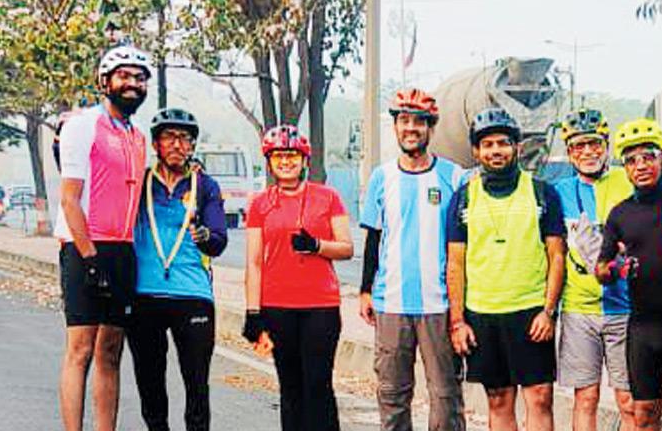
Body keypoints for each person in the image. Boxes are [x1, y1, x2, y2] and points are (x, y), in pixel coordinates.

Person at [445, 108, 566, 431]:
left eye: (503, 143)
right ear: (476, 151)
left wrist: (548, 312)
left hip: (531, 312)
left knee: (540, 397)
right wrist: (458, 322)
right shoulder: (463, 199)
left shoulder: (543, 193)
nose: (495, 150)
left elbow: (557, 256)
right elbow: (455, 263)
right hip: (483, 314)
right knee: (498, 399)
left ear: (517, 147)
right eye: (487, 145)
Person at [56, 45, 152, 431]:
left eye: (140, 78)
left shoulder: (138, 137)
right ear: (104, 81)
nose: (132, 84)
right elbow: (69, 198)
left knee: (110, 352)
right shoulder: (83, 125)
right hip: (86, 248)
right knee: (80, 350)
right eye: (123, 76)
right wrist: (89, 257)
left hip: (123, 251)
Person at [359, 89, 466, 431]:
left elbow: (465, 244)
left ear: (431, 128)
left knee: (446, 397)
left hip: (440, 304)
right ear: (395, 127)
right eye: (404, 121)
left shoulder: (454, 177)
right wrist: (365, 291)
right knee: (392, 395)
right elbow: (373, 238)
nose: (411, 128)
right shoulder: (382, 177)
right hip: (391, 302)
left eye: (419, 122)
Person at [242, 124, 354, 431]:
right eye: (278, 156)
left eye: (292, 155)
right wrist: (253, 313)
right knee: (290, 387)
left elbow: (346, 248)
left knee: (318, 385)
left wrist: (317, 246)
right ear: (269, 162)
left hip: (320, 306)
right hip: (277, 305)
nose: (286, 162)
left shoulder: (328, 197)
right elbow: (253, 262)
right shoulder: (260, 204)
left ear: (304, 160)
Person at [127, 108, 228, 431]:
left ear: (193, 145)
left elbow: (219, 241)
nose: (177, 145)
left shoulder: (205, 185)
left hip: (193, 295)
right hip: (144, 293)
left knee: (197, 384)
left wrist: (206, 236)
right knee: (150, 381)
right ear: (156, 143)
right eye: (169, 137)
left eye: (184, 138)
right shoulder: (140, 182)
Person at [596, 119, 662, 431]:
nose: (641, 166)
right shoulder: (620, 213)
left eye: (648, 156)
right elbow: (601, 269)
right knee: (644, 414)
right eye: (631, 160)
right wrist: (615, 268)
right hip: (643, 325)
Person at [552, 108, 635, 431]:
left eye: (594, 144)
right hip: (578, 310)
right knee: (586, 398)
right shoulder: (559, 191)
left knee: (628, 401)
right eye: (578, 146)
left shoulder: (628, 181)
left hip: (625, 307)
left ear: (606, 145)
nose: (587, 152)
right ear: (569, 152)